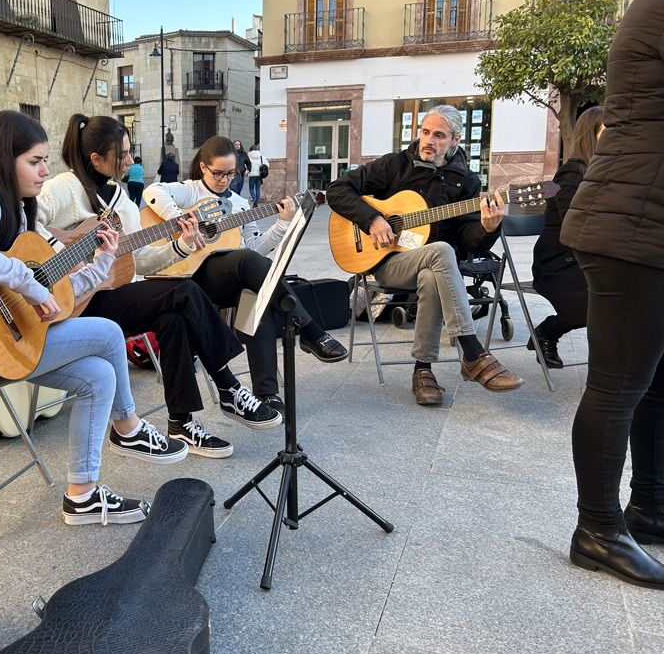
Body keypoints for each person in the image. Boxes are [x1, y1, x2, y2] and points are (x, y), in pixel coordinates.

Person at [0, 110, 178, 525]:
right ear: (2, 158)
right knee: (106, 331)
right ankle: (130, 425)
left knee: (100, 376)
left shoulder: (26, 214)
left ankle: (82, 495)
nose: (45, 171)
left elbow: (61, 293)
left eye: (46, 160)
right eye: (34, 161)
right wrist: (27, 284)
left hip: (15, 341)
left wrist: (101, 260)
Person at [38, 115, 281, 458]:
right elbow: (26, 221)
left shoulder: (122, 200)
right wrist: (70, 256)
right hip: (72, 302)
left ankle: (181, 423)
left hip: (110, 295)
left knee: (175, 312)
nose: (129, 161)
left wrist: (181, 245)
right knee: (182, 294)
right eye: (121, 154)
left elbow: (140, 262)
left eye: (129, 152)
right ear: (96, 158)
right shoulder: (64, 188)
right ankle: (228, 386)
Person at [560, 0, 664, 589]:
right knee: (618, 384)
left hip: (641, 220)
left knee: (654, 379)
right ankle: (596, 527)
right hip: (631, 226)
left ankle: (650, 504)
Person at [326, 104, 524, 407]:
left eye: (439, 135)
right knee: (441, 253)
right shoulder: (395, 165)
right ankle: (472, 352)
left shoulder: (465, 181)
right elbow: (337, 189)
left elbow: (469, 242)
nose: (429, 140)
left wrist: (487, 227)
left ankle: (423, 370)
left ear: (455, 141)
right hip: (387, 262)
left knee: (435, 267)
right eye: (425, 132)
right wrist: (372, 219)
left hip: (433, 266)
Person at [143, 135, 348, 420]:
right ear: (203, 168)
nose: (224, 179)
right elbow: (152, 191)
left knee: (258, 297)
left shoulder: (240, 203)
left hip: (226, 278)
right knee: (252, 266)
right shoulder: (189, 191)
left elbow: (254, 246)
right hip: (190, 276)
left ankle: (267, 394)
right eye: (218, 173)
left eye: (230, 173)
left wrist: (283, 222)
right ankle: (311, 331)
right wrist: (184, 220)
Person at [529, 105, 604, 368]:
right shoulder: (572, 172)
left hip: (587, 259)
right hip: (560, 262)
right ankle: (549, 330)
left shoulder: (605, 173)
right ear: (591, 135)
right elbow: (574, 226)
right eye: (607, 132)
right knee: (600, 301)